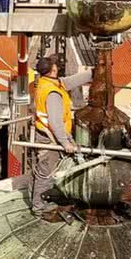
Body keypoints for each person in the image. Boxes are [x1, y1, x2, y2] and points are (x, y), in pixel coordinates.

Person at [30, 55, 92, 219]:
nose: (58, 67)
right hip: (49, 137)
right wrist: (66, 143)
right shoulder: (53, 94)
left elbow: (68, 82)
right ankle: (39, 207)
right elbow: (55, 122)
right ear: (53, 70)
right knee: (45, 173)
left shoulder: (47, 82)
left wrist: (92, 73)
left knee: (46, 171)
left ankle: (43, 200)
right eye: (56, 66)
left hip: (47, 134)